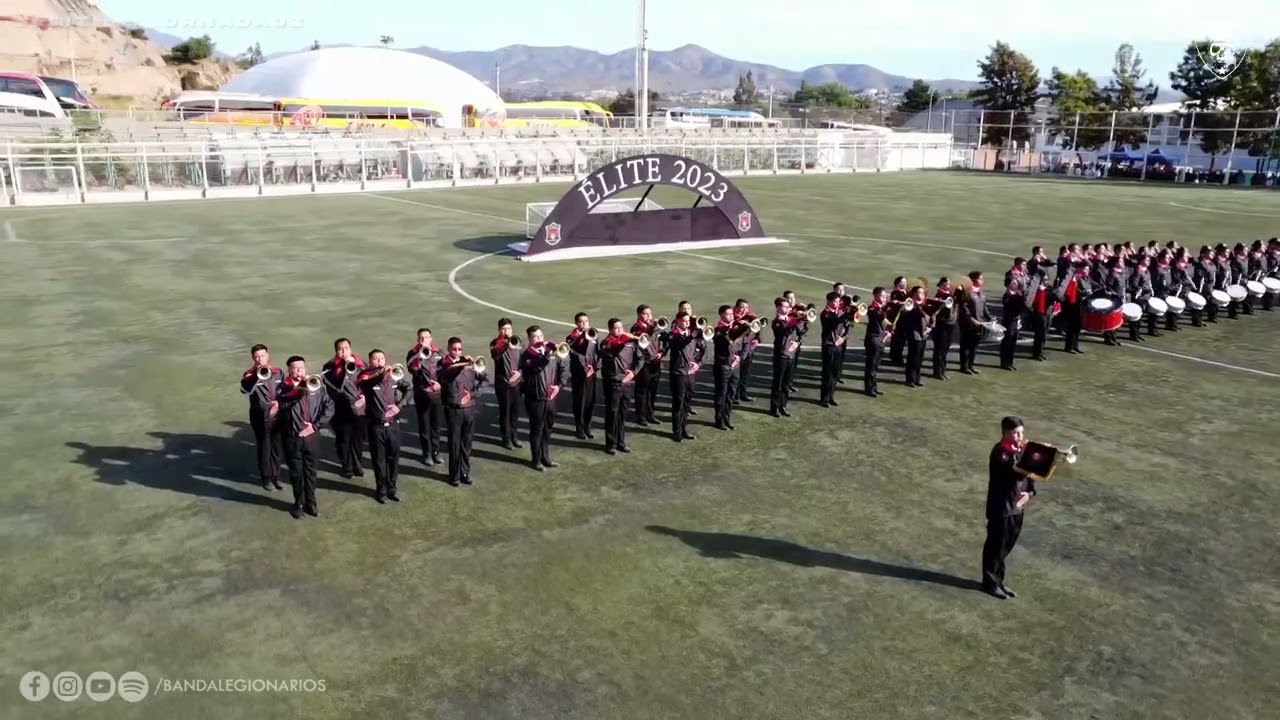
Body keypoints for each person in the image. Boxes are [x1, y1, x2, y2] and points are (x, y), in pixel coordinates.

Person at [982, 416, 1036, 599]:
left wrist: (1029, 493)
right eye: (1015, 433)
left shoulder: (1020, 450)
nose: (1019, 436)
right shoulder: (1000, 453)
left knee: (1005, 548)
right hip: (1002, 508)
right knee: (996, 547)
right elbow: (1016, 474)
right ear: (1005, 432)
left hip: (1016, 508)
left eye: (1021, 432)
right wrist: (1035, 458)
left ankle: (998, 581)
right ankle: (990, 583)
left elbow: (1029, 479)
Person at [276, 356, 334, 519]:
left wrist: (315, 426)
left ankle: (311, 503)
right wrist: (299, 390)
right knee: (296, 473)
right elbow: (283, 406)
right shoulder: (283, 388)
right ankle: (298, 504)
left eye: (301, 367)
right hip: (292, 438)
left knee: (311, 472)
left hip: (311, 438)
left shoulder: (316, 385)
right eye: (295, 368)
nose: (299, 371)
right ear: (289, 370)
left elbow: (329, 406)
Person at [356, 350, 412, 503]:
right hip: (376, 426)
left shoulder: (392, 375)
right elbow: (362, 383)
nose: (380, 361)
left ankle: (392, 488)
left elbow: (409, 389)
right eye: (376, 359)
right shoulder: (365, 376)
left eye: (382, 358)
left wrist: (399, 406)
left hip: (393, 425)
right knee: (379, 460)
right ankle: (380, 490)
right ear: (370, 361)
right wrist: (381, 374)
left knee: (393, 458)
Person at [438, 337, 485, 486]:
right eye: (454, 349)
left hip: (469, 409)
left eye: (460, 349)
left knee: (467, 443)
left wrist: (472, 394)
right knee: (454, 444)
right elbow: (448, 374)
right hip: (453, 410)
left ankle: (465, 473)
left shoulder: (469, 365)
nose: (457, 352)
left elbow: (485, 379)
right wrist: (463, 363)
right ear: (449, 349)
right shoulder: (444, 364)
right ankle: (454, 476)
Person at [520, 326, 567, 470]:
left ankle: (546, 457)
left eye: (541, 336)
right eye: (535, 337)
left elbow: (563, 370)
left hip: (550, 399)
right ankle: (536, 460)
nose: (539, 339)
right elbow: (536, 367)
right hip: (535, 400)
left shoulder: (551, 353)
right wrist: (547, 354)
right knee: (537, 430)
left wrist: (559, 386)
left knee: (548, 429)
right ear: (529, 339)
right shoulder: (526, 356)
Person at [240, 344, 284, 491]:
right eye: (257, 356)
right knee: (264, 447)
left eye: (262, 355)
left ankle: (277, 475)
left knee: (276, 446)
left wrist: (279, 404)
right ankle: (266, 477)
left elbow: (284, 392)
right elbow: (244, 390)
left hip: (277, 415)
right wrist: (255, 376)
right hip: (260, 416)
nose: (260, 359)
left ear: (267, 356)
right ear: (253, 358)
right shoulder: (248, 375)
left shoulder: (278, 372)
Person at [321, 337, 366, 479]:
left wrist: (364, 396)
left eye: (346, 348)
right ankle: (346, 466)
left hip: (358, 409)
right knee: (343, 439)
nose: (343, 351)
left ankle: (357, 464)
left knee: (358, 439)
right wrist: (346, 371)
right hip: (340, 408)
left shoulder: (360, 364)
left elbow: (367, 382)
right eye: (340, 349)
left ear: (350, 349)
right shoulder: (329, 366)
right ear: (336, 351)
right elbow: (332, 387)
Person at [598, 318, 641, 454]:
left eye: (621, 327)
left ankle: (621, 442)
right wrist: (629, 338)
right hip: (614, 383)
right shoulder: (607, 343)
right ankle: (611, 443)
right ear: (610, 329)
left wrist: (633, 372)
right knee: (612, 413)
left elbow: (640, 358)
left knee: (623, 414)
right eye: (616, 328)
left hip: (628, 383)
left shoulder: (630, 343)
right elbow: (613, 349)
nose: (620, 330)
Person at [406, 328, 443, 466]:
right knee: (424, 425)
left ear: (431, 338)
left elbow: (443, 370)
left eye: (426, 337)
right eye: (421, 338)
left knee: (436, 425)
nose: (424, 340)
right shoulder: (413, 353)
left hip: (436, 394)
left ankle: (436, 452)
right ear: (418, 340)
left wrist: (439, 384)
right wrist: (419, 357)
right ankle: (427, 453)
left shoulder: (438, 352)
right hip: (422, 394)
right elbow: (412, 369)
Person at [666, 312, 706, 441]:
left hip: (690, 374)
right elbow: (681, 343)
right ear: (677, 321)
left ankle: (684, 429)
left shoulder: (691, 335)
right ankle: (677, 432)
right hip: (678, 374)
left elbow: (701, 350)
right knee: (678, 404)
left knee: (686, 404)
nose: (687, 323)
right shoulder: (673, 335)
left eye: (688, 321)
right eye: (684, 321)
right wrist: (694, 333)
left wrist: (698, 364)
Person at [488, 318, 523, 450]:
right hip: (503, 384)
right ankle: (506, 438)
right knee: (505, 412)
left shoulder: (517, 341)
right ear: (499, 330)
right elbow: (495, 355)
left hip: (517, 384)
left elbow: (522, 359)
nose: (506, 331)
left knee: (515, 411)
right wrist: (505, 344)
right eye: (503, 329)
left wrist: (520, 373)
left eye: (508, 328)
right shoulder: (494, 344)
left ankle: (515, 436)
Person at [769, 297, 807, 417]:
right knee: (778, 383)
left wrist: (798, 342)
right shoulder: (776, 322)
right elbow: (784, 331)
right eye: (785, 306)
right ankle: (774, 407)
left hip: (791, 355)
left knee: (786, 383)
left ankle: (783, 405)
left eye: (788, 306)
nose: (788, 308)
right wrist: (797, 319)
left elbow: (801, 333)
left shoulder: (792, 320)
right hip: (781, 355)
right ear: (778, 308)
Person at [711, 304, 748, 425]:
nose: (731, 316)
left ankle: (726, 418)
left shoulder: (736, 327)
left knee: (731, 394)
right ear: (721, 315)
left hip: (735, 366)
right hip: (723, 366)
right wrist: (743, 328)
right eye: (728, 314)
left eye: (732, 314)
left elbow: (745, 343)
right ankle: (719, 420)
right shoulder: (718, 330)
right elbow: (729, 340)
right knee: (721, 394)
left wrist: (740, 357)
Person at [566, 312, 599, 440]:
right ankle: (579, 428)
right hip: (579, 375)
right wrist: (583, 337)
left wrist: (595, 367)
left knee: (590, 401)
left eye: (586, 321)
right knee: (580, 402)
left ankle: (587, 427)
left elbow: (597, 354)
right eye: (581, 321)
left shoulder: (593, 336)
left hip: (591, 374)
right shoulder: (571, 337)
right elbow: (575, 353)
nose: (584, 324)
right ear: (576, 323)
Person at [631, 305, 662, 426]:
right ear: (639, 315)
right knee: (642, 391)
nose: (649, 316)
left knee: (652, 390)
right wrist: (653, 327)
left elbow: (660, 341)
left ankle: (650, 413)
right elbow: (642, 341)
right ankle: (640, 415)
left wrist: (661, 352)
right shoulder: (636, 328)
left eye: (650, 313)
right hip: (644, 364)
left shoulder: (654, 327)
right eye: (645, 314)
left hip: (655, 363)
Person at [957, 271, 991, 373]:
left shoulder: (980, 292)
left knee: (974, 346)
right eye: (981, 279)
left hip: (979, 323)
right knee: (966, 345)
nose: (982, 281)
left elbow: (984, 308)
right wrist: (972, 319)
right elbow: (963, 308)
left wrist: (990, 318)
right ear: (974, 280)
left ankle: (971, 365)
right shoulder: (967, 292)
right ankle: (964, 366)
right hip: (968, 324)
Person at [818, 292, 848, 406]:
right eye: (835, 301)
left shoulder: (839, 313)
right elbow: (834, 322)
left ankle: (831, 396)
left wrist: (843, 338)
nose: (838, 304)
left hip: (838, 346)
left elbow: (847, 326)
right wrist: (846, 314)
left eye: (839, 301)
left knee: (835, 372)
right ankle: (824, 398)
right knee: (827, 373)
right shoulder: (825, 314)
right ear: (829, 301)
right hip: (829, 346)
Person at [1000, 258, 1027, 370]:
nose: (1025, 266)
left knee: (1013, 338)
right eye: (1023, 264)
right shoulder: (1011, 276)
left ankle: (1009, 361)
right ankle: (1005, 362)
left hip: (1017, 313)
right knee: (1008, 338)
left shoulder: (1023, 274)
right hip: (1011, 313)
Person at [1058, 260, 1090, 353]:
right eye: (1086, 269)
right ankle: (1069, 347)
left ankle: (1075, 345)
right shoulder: (1074, 278)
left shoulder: (1084, 277)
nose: (1087, 271)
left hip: (1080, 305)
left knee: (1078, 327)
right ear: (1080, 269)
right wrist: (1085, 292)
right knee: (1072, 327)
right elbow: (1073, 291)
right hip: (1073, 306)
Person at [733, 298, 760, 403]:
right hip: (737, 350)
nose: (743, 310)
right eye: (741, 307)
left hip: (748, 349)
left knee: (745, 374)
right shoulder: (732, 318)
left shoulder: (750, 317)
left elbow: (758, 328)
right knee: (736, 374)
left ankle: (743, 393)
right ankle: (735, 395)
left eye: (746, 308)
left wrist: (757, 339)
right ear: (736, 308)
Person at [863, 287, 888, 397]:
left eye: (885, 296)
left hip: (881, 339)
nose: (885, 298)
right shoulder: (872, 308)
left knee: (876, 366)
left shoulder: (881, 308)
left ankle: (874, 386)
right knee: (871, 365)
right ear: (876, 296)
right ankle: (869, 388)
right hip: (873, 339)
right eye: (883, 296)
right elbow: (881, 316)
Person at [929, 278, 957, 379]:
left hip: (950, 324)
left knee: (945, 349)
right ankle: (937, 372)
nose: (948, 285)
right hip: (941, 325)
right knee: (939, 349)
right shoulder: (939, 295)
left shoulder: (951, 294)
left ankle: (943, 370)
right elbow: (935, 309)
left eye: (949, 283)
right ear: (941, 284)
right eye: (946, 283)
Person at [1024, 262, 1051, 361]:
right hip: (1038, 315)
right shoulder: (1036, 290)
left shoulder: (1048, 289)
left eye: (1047, 280)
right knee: (1039, 335)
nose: (1047, 281)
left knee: (1043, 335)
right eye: (1045, 280)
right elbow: (1032, 302)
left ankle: (1040, 352)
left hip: (1046, 314)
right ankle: (1036, 353)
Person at [1101, 258, 1127, 346]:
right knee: (1110, 318)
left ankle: (1114, 337)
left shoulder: (1122, 273)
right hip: (1113, 298)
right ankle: (1108, 338)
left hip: (1120, 298)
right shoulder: (1113, 273)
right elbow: (1109, 287)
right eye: (1120, 261)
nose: (1122, 263)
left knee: (1116, 318)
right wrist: (1114, 295)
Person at [1193, 245, 1219, 324]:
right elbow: (1200, 277)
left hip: (1210, 286)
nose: (1212, 254)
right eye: (1209, 253)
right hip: (1202, 287)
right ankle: (1197, 321)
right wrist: (1200, 289)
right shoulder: (1200, 264)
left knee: (1213, 303)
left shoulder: (1212, 264)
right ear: (1204, 254)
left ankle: (1212, 317)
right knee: (1199, 304)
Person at [887, 276, 909, 366]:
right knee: (897, 339)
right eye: (903, 282)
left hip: (905, 319)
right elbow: (894, 302)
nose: (905, 284)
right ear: (898, 284)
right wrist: (905, 303)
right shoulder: (895, 292)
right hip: (897, 318)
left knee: (901, 339)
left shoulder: (907, 293)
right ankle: (896, 357)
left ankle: (895, 355)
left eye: (905, 282)